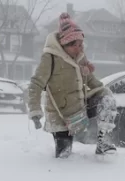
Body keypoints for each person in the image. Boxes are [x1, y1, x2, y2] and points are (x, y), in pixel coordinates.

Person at [27, 13, 118, 158]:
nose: (79, 48)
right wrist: (35, 111)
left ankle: (103, 142)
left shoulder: (81, 57)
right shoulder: (50, 57)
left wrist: (104, 92)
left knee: (106, 98)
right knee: (64, 155)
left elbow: (91, 80)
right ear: (64, 44)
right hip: (60, 115)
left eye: (81, 44)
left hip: (80, 107)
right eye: (74, 45)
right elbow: (36, 83)